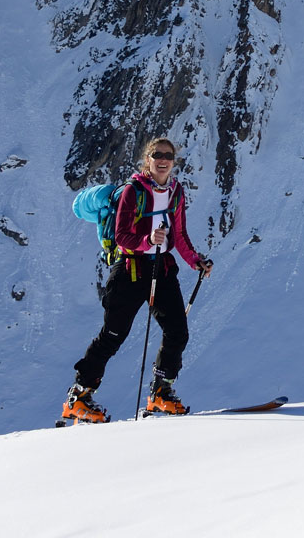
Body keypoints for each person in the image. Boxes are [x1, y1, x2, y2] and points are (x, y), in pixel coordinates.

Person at [62, 136, 212, 423]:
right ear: (148, 158)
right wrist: (146, 240)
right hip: (130, 268)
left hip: (162, 267)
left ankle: (161, 393)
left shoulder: (176, 192)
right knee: (113, 335)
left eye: (168, 155)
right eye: (158, 154)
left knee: (177, 331)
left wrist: (196, 261)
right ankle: (78, 395)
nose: (164, 159)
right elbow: (122, 236)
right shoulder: (134, 191)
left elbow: (179, 235)